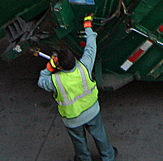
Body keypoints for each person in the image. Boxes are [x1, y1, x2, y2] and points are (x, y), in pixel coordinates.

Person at [38, 15, 116, 161]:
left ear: (59, 66)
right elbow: (91, 46)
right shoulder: (84, 67)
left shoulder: (55, 80)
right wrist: (87, 26)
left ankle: (84, 159)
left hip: (72, 118)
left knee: (79, 142)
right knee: (100, 135)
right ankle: (108, 156)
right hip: (92, 110)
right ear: (74, 58)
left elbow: (41, 81)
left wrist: (49, 67)